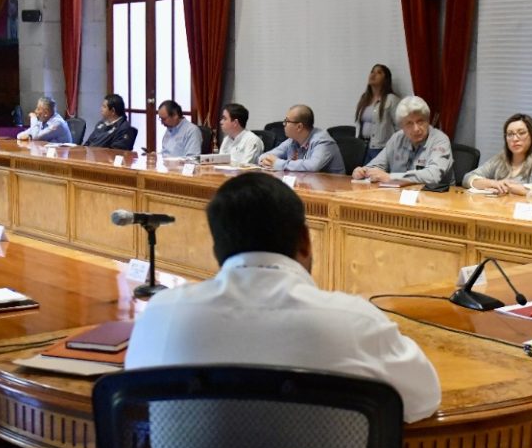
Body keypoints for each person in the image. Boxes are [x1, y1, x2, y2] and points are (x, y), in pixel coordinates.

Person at [126, 171, 440, 419]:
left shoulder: (161, 315)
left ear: (217, 248)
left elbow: (136, 406)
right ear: (305, 241)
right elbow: (425, 399)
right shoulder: (356, 321)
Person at [353, 96, 453, 187]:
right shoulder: (397, 138)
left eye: (420, 121)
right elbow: (377, 165)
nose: (416, 129)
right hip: (400, 195)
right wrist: (363, 171)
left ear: (428, 121)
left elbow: (433, 176)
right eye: (409, 123)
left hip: (437, 197)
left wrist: (390, 177)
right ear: (402, 126)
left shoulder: (440, 140)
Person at [465, 113, 532, 197]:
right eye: (510, 134)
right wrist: (494, 184)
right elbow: (467, 178)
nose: (515, 139)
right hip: (500, 207)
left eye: (521, 133)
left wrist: (508, 188)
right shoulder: (500, 159)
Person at [258, 105, 344, 174]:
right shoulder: (292, 140)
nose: (284, 125)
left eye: (286, 121)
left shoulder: (323, 141)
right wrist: (265, 160)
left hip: (333, 187)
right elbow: (265, 156)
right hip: (305, 183)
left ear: (299, 127)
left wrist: (278, 164)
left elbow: (312, 166)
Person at [354, 64, 401, 160]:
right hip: (362, 146)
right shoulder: (365, 98)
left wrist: (395, 149)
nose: (373, 75)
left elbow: (400, 127)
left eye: (379, 72)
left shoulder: (391, 99)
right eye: (372, 72)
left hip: (381, 148)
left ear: (386, 79)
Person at [216, 102, 263, 166]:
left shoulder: (252, 141)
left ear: (235, 123)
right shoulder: (226, 139)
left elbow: (245, 167)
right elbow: (220, 163)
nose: (221, 122)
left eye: (224, 119)